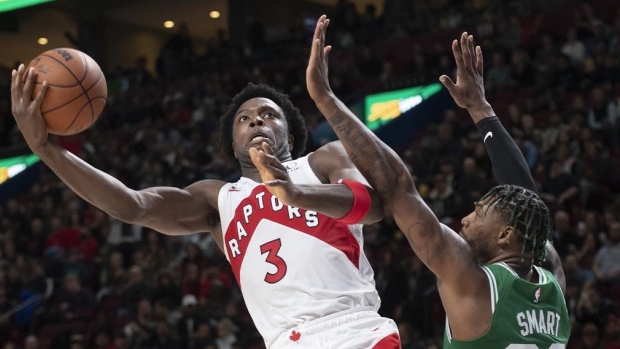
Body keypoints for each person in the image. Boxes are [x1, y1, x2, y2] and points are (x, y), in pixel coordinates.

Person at [10, 58, 400, 348]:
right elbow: (132, 206)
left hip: (354, 329)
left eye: (269, 114)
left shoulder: (322, 160)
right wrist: (46, 150)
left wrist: (296, 193)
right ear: (233, 144)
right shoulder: (217, 198)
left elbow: (372, 206)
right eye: (244, 118)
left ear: (291, 134)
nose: (256, 121)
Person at [250, 16, 570, 348]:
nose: (465, 219)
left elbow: (396, 185)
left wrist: (327, 100)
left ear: (505, 234)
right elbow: (526, 205)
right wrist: (480, 109)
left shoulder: (472, 282)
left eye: (479, 213)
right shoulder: (553, 284)